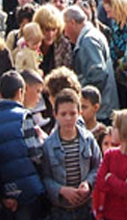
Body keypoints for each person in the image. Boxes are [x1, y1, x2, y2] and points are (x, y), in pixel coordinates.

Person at [0, 72, 48, 219]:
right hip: (29, 190)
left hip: (5, 191)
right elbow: (36, 155)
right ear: (21, 92)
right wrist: (43, 140)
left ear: (0, 94)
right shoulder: (24, 116)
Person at [42, 89, 102, 220]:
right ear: (55, 114)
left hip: (86, 208)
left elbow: (98, 166)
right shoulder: (49, 145)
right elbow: (45, 177)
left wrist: (88, 183)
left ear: (79, 113)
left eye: (72, 113)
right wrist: (61, 190)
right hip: (60, 210)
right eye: (63, 114)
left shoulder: (88, 139)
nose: (68, 118)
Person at [93, 110, 127, 220]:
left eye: (115, 127)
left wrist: (111, 178)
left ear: (125, 131)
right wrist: (121, 184)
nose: (112, 130)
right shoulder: (110, 154)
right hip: (107, 215)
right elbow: (100, 183)